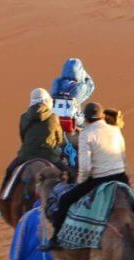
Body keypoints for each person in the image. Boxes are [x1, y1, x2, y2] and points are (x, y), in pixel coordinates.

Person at [47, 100, 129, 244]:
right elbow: (122, 155)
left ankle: (56, 239)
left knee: (65, 200)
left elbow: (85, 167)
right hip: (121, 177)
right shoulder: (115, 129)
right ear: (102, 116)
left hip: (99, 180)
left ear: (85, 118)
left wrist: (79, 183)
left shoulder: (86, 134)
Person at [51, 58, 96, 133]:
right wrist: (84, 73)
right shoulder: (80, 87)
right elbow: (91, 86)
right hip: (74, 121)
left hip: (55, 119)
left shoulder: (56, 83)